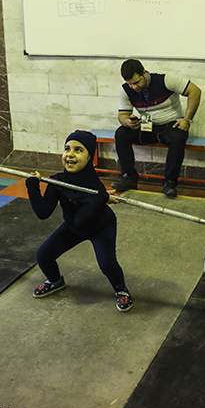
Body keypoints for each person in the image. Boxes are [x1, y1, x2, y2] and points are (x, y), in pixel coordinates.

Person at [25, 131, 132, 312]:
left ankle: (121, 290)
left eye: (78, 150)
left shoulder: (95, 188)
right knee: (43, 255)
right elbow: (43, 212)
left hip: (100, 227)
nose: (70, 154)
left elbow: (82, 220)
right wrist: (32, 185)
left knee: (106, 264)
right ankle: (56, 281)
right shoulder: (58, 181)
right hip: (74, 225)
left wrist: (100, 197)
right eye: (67, 149)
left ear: (90, 157)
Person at [112, 59, 201, 199]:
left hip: (169, 124)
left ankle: (170, 182)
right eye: (130, 84)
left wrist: (187, 120)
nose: (134, 87)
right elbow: (122, 114)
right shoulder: (126, 90)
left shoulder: (166, 80)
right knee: (121, 133)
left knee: (178, 137)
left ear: (144, 73)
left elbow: (195, 91)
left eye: (136, 82)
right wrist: (127, 122)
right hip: (147, 125)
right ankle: (128, 178)